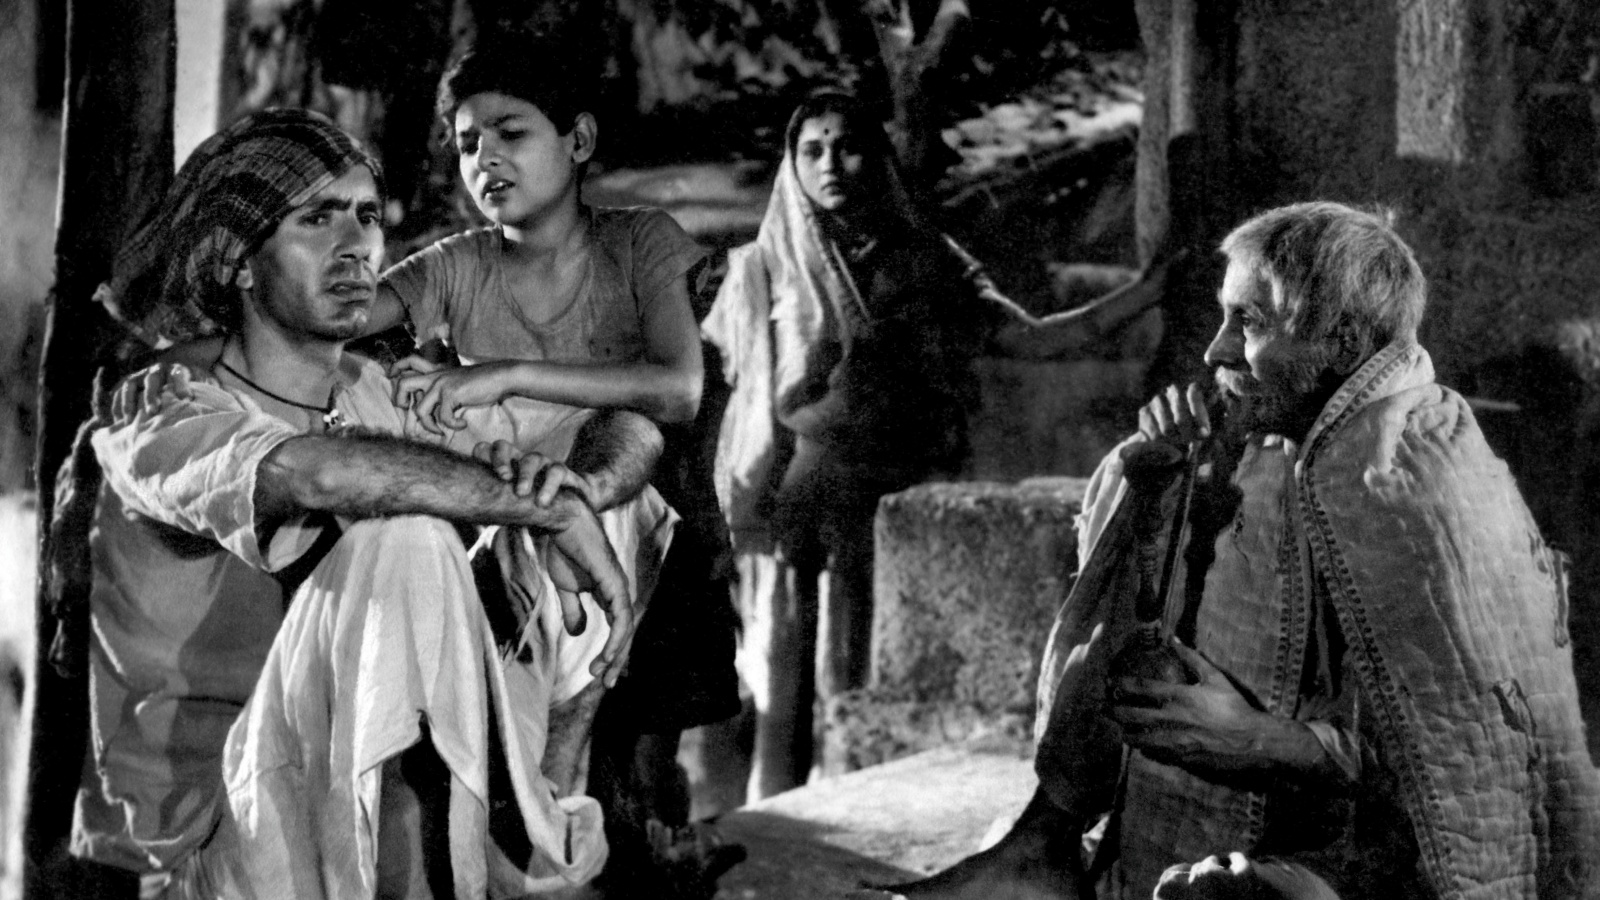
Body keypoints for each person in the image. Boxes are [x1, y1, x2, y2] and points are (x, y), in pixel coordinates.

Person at [892, 202, 1600, 899]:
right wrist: (1153, 498)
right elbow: (1133, 658)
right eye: (1223, 318)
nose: (1216, 351)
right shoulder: (1255, 455)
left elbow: (1460, 765)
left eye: (1250, 323)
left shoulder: (1421, 488)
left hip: (1366, 863)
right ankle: (1038, 853)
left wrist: (1253, 738)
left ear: (1342, 342)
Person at [70, 108, 667, 900]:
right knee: (409, 541)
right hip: (224, 845)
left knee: (609, 504)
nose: (356, 246)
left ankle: (534, 823)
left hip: (361, 810)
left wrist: (576, 496)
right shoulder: (162, 409)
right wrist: (545, 510)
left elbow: (622, 427)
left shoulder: (373, 388)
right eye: (317, 219)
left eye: (366, 216)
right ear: (240, 261)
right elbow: (312, 475)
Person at [354, 39, 743, 893]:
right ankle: (537, 837)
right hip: (507, 516)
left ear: (578, 139)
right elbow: (341, 317)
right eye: (466, 143)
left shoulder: (639, 244)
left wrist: (507, 373)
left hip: (638, 509)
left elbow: (677, 390)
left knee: (605, 481)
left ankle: (569, 834)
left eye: (510, 133)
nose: (484, 159)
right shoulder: (456, 264)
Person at [702, 91, 980, 800]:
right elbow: (720, 397)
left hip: (895, 502)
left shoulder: (925, 261)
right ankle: (780, 819)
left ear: (876, 156)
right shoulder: (761, 268)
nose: (830, 164)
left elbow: (1013, 335)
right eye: (813, 150)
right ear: (793, 165)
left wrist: (1140, 294)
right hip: (792, 506)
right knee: (785, 676)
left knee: (867, 674)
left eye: (847, 146)